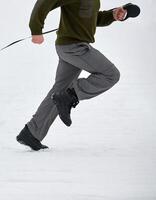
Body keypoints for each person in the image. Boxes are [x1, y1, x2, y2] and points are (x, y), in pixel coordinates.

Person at [16, 0, 127, 151]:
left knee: (60, 90)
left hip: (73, 46)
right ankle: (69, 96)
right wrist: (36, 29)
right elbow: (44, 2)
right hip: (73, 47)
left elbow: (93, 18)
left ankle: (31, 132)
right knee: (110, 75)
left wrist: (112, 15)